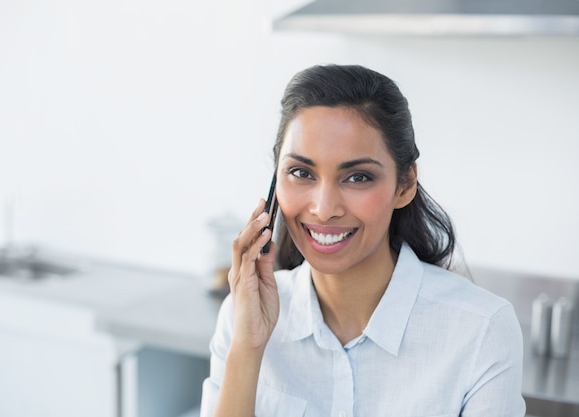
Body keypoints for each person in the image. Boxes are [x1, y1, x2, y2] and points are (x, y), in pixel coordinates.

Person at [200, 64, 525, 417]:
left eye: (357, 177)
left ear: (405, 184)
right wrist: (248, 347)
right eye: (301, 173)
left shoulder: (481, 331)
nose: (324, 210)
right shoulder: (242, 316)